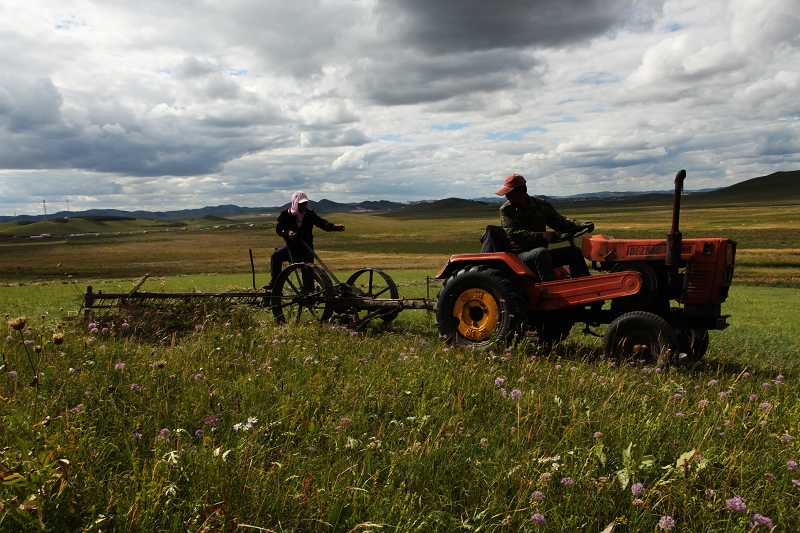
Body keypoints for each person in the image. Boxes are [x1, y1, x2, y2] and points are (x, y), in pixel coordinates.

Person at [496, 173, 594, 282]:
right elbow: (514, 233)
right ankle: (551, 292)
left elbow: (559, 222)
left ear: (523, 190)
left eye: (510, 193)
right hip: (518, 257)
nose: (507, 196)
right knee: (541, 253)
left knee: (574, 252)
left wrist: (580, 224)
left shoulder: (540, 205)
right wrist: (543, 236)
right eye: (506, 193)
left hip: (543, 254)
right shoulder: (506, 209)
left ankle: (585, 286)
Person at [269, 191, 344, 288]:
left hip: (306, 249)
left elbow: (322, 223)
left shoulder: (309, 214)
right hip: (292, 248)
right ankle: (275, 283)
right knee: (276, 257)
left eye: (305, 203)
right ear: (295, 203)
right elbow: (279, 229)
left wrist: (334, 227)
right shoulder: (286, 215)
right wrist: (288, 233)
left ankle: (309, 293)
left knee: (308, 274)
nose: (304, 205)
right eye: (301, 203)